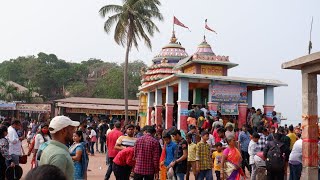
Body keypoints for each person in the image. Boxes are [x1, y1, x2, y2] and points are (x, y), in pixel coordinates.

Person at [39, 115, 80, 180]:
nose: (73, 132)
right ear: (63, 131)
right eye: (72, 129)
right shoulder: (60, 155)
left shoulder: (49, 148)